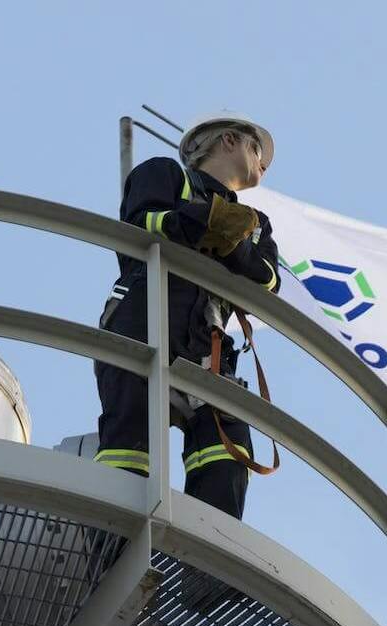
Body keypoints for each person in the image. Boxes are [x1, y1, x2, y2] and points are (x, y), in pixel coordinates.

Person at [94, 111, 279, 521]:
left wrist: (234, 247)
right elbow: (141, 223)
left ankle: (208, 571)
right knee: (128, 444)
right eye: (256, 148)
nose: (263, 162)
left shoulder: (255, 224)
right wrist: (201, 223)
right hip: (144, 319)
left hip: (207, 343)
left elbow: (267, 283)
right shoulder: (166, 174)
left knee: (227, 453)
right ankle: (114, 549)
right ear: (228, 140)